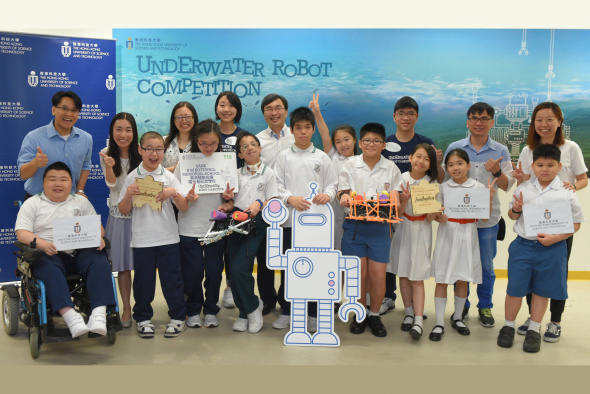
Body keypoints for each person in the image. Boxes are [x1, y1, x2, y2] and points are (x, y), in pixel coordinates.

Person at [498, 144, 584, 353]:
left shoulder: (567, 192)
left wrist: (556, 238)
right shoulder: (523, 188)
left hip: (552, 249)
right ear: (532, 166)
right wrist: (516, 210)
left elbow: (576, 224)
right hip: (523, 246)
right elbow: (511, 216)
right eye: (540, 165)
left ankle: (534, 329)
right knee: (514, 289)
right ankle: (508, 327)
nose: (545, 169)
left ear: (559, 166)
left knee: (541, 290)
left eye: (550, 165)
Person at [513, 102, 588, 343]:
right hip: (533, 220)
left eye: (549, 119)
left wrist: (573, 186)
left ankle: (555, 321)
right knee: (530, 274)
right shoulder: (527, 150)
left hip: (560, 221)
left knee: (557, 273)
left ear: (559, 121)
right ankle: (533, 319)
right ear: (533, 124)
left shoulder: (571, 147)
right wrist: (519, 179)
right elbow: (524, 185)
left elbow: (583, 179)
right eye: (538, 120)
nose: (544, 124)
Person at [15, 161, 115, 338]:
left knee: (99, 259)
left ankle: (98, 315)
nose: (58, 184)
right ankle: (71, 318)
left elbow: (97, 226)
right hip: (49, 253)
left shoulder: (81, 202)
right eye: (52, 179)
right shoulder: (33, 203)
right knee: (47, 266)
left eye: (64, 179)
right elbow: (22, 233)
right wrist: (43, 244)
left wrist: (98, 236)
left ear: (72, 183)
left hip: (80, 252)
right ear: (44, 182)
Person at [444, 102, 514, 327]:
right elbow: (446, 182)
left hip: (487, 221)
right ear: (467, 122)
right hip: (458, 220)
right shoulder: (455, 147)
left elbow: (505, 186)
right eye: (474, 118)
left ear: (492, 123)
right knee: (459, 263)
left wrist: (496, 170)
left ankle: (485, 306)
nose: (479, 122)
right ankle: (461, 306)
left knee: (485, 265)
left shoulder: (501, 150)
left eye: (484, 119)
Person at [273, 106, 338, 330]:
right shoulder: (283, 157)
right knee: (291, 268)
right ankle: (287, 310)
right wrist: (289, 198)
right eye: (298, 128)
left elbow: (332, 184)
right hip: (290, 223)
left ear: (313, 130)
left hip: (316, 225)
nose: (303, 132)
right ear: (291, 131)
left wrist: (327, 195)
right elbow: (277, 186)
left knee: (315, 268)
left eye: (307, 128)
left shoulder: (321, 157)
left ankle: (312, 312)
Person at [118, 131, 188, 338]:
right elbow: (123, 210)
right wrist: (129, 194)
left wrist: (173, 193)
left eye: (159, 149)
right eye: (149, 149)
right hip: (142, 240)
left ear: (164, 152)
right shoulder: (132, 177)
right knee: (143, 282)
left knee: (172, 280)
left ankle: (177, 317)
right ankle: (143, 318)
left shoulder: (169, 177)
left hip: (168, 237)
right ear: (140, 150)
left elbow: (183, 207)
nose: (154, 154)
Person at [380, 96, 444, 316]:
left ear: (417, 116)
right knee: (391, 258)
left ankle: (414, 310)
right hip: (390, 211)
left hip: (418, 219)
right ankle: (389, 297)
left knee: (413, 266)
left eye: (410, 114)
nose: (405, 118)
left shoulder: (426, 143)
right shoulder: (385, 144)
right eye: (401, 113)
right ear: (394, 116)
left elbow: (437, 177)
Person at [338, 122, 403, 338]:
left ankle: (374, 314)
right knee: (358, 275)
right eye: (367, 140)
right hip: (355, 227)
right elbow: (342, 192)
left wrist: (396, 197)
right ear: (360, 142)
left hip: (380, 229)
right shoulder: (349, 165)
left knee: (377, 276)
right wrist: (344, 197)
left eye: (376, 141)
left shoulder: (391, 168)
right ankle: (359, 314)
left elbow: (396, 194)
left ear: (384, 144)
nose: (371, 144)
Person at [430, 149, 496, 341]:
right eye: (450, 164)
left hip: (468, 235)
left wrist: (489, 198)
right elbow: (435, 215)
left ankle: (458, 317)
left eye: (459, 163)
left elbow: (484, 217)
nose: (455, 168)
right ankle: (439, 322)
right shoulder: (443, 187)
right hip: (447, 235)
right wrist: (439, 217)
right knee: (442, 278)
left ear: (468, 165)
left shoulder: (477, 187)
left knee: (462, 278)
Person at [220, 131, 279, 333]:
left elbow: (275, 200)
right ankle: (244, 313)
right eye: (244, 147)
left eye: (253, 144)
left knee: (239, 269)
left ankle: (253, 307)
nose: (250, 148)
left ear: (260, 148)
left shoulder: (269, 173)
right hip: (236, 223)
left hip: (258, 224)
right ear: (240, 154)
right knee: (234, 271)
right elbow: (231, 201)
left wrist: (260, 203)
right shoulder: (235, 174)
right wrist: (226, 202)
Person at [173, 119, 227, 329]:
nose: (208, 148)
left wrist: (228, 197)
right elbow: (175, 196)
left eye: (213, 144)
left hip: (215, 226)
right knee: (193, 272)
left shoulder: (225, 162)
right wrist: (187, 197)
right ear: (196, 140)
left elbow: (232, 200)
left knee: (214, 271)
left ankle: (211, 308)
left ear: (219, 141)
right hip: (188, 227)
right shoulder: (184, 162)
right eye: (203, 143)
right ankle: (193, 309)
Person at [390, 143, 439, 339]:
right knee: (403, 273)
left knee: (417, 276)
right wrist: (404, 200)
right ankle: (408, 312)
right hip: (403, 228)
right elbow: (397, 213)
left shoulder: (432, 184)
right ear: (410, 157)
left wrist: (435, 210)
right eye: (418, 156)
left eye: (427, 159)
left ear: (430, 165)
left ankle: (418, 320)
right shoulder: (399, 180)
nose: (421, 161)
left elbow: (430, 218)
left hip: (422, 231)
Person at [99, 112, 142, 328]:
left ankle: (143, 308)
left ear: (134, 132)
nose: (123, 134)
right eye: (118, 129)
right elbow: (112, 185)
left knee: (143, 266)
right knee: (123, 267)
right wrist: (108, 165)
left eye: (128, 129)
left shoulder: (142, 153)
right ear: (112, 131)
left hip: (144, 216)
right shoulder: (106, 153)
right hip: (120, 216)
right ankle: (126, 307)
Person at [255, 93, 295, 316]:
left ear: (286, 111)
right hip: (266, 209)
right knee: (266, 258)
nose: (274, 112)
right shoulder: (257, 140)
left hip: (291, 209)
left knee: (289, 257)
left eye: (278, 108)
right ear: (264, 113)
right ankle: (267, 299)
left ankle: (287, 300)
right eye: (269, 109)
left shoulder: (296, 138)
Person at [17, 91, 92, 199]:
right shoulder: (33, 137)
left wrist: (80, 190)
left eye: (74, 110)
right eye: (64, 109)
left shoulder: (86, 138)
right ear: (53, 110)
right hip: (38, 200)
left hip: (69, 200)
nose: (69, 114)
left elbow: (86, 165)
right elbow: (23, 174)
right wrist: (35, 163)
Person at [214, 91, 247, 310]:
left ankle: (230, 288)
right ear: (216, 108)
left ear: (237, 109)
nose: (226, 109)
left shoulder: (244, 136)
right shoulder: (208, 131)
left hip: (236, 199)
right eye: (222, 105)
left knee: (231, 245)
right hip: (208, 198)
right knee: (212, 245)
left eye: (231, 105)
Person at [163, 101, 198, 172]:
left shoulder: (202, 143)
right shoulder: (163, 141)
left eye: (188, 117)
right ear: (173, 120)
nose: (184, 121)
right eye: (179, 117)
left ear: (194, 118)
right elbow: (154, 170)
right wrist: (172, 169)